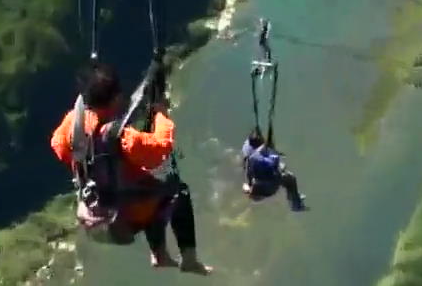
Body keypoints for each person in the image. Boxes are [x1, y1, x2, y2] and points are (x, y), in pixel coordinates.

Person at [51, 62, 211, 274]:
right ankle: (189, 258)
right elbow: (159, 150)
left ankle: (160, 255)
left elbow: (59, 147)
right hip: (125, 214)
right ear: (117, 98)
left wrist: (92, 163)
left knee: (150, 187)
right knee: (177, 191)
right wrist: (161, 114)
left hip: (93, 208)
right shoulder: (120, 137)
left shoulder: (74, 122)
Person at [241, 131, 306, 211]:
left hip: (256, 189)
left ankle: (295, 202)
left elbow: (248, 167)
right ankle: (296, 204)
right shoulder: (261, 157)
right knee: (290, 178)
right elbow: (274, 164)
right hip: (268, 187)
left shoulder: (248, 151)